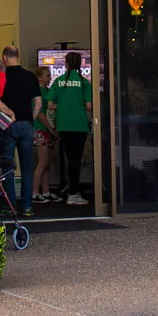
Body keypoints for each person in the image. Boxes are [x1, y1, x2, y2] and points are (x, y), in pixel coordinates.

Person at [0, 45, 41, 212]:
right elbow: (38, 103)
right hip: (26, 124)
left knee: (8, 165)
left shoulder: (2, 76)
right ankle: (27, 205)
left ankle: (10, 204)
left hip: (7, 125)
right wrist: (30, 118)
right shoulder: (30, 77)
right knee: (27, 165)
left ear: (4, 57)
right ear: (17, 56)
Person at [45, 50, 92, 207]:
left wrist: (63, 106)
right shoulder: (84, 82)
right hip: (79, 125)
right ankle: (74, 193)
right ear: (79, 64)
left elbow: (50, 105)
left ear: (66, 64)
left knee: (68, 158)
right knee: (76, 160)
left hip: (63, 125)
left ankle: (70, 189)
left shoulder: (58, 81)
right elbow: (89, 106)